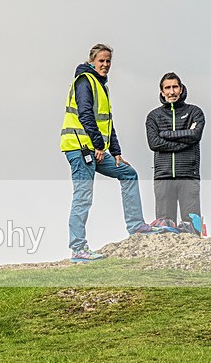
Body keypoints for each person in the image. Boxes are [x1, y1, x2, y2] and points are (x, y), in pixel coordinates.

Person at [60, 43, 159, 263]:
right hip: (81, 149)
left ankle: (136, 226)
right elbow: (85, 114)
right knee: (83, 197)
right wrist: (97, 145)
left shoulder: (101, 85)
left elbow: (107, 122)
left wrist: (116, 152)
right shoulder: (85, 81)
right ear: (91, 61)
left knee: (128, 173)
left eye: (108, 61)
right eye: (101, 61)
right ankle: (78, 249)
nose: (105, 65)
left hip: (98, 150)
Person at [145, 72, 204, 225]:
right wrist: (185, 142)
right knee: (165, 226)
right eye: (167, 88)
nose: (172, 91)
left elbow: (195, 135)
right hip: (163, 177)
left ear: (181, 89)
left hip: (188, 175)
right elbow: (154, 143)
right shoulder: (153, 116)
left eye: (175, 87)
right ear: (162, 92)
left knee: (192, 226)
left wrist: (165, 134)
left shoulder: (194, 112)